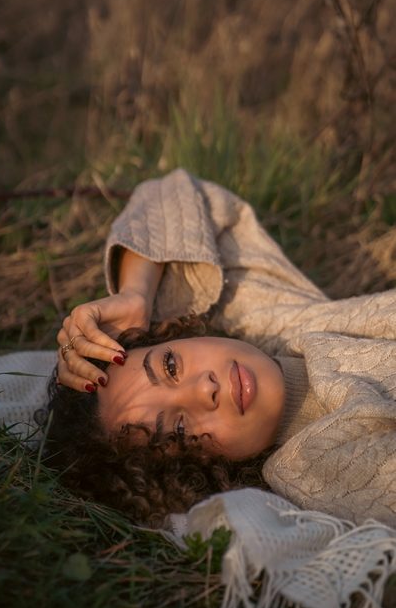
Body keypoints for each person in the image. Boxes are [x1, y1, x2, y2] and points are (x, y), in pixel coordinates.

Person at [48, 168, 396, 528]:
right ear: (195, 471)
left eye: (170, 366)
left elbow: (170, 192)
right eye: (178, 430)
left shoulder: (261, 318)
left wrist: (135, 295)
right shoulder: (317, 472)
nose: (205, 388)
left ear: (175, 335)